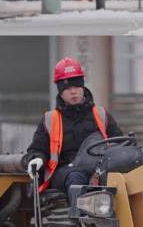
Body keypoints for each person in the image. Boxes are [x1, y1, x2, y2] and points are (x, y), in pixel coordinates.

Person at [24, 57, 123, 207]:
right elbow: (37, 149)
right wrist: (36, 159)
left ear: (82, 87)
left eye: (76, 86)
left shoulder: (102, 115)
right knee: (76, 179)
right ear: (60, 91)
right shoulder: (50, 119)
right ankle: (81, 219)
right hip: (65, 171)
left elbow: (120, 143)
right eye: (67, 87)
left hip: (99, 169)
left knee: (121, 181)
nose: (73, 91)